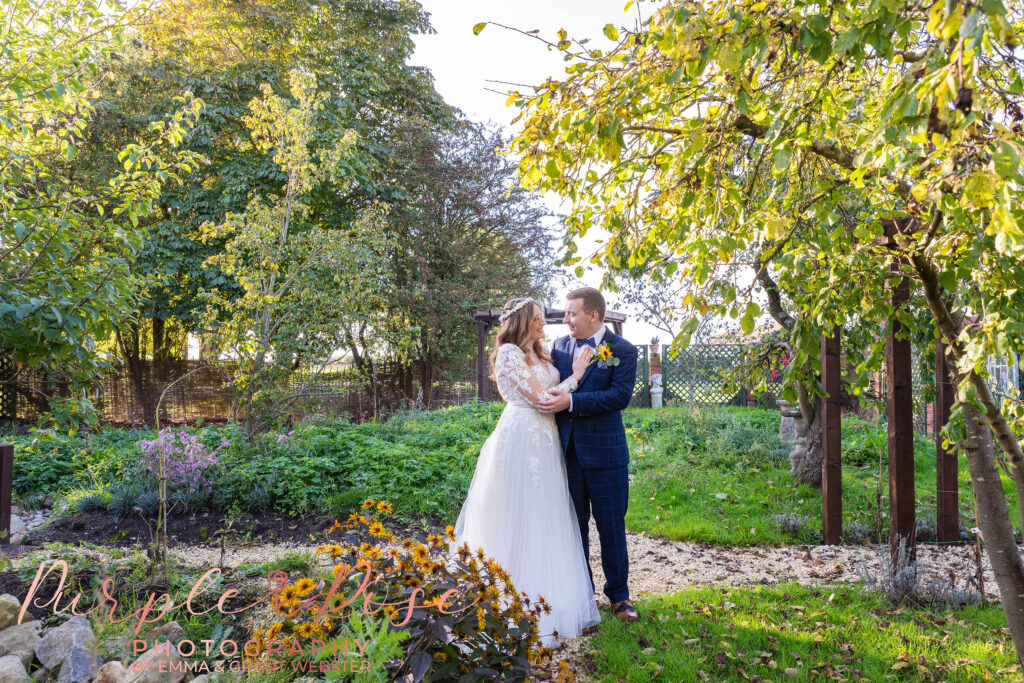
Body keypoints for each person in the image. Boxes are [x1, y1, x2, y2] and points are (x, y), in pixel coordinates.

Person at [453, 297, 601, 645]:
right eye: (536, 319)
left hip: (546, 439)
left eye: (541, 319)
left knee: (546, 513)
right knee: (517, 511)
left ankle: (551, 594)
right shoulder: (508, 353)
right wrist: (577, 377)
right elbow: (541, 399)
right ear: (520, 322)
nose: (542, 324)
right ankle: (511, 593)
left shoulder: (542, 352)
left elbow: (547, 393)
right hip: (520, 437)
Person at [537, 287, 640, 623]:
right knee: (574, 527)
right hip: (568, 454)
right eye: (566, 314)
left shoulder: (623, 350)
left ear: (593, 315)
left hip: (607, 455)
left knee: (611, 527)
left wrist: (574, 402)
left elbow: (619, 397)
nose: (565, 320)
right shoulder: (559, 347)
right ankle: (583, 596)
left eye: (571, 313)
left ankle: (620, 597)